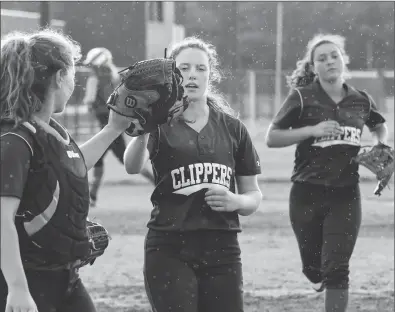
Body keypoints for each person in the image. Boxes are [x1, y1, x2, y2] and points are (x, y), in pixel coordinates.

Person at [123, 36, 262, 312]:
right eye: (184, 68)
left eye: (201, 68)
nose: (192, 75)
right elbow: (132, 166)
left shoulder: (233, 128)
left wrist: (237, 202)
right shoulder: (160, 123)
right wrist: (145, 129)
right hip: (169, 246)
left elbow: (253, 194)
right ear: (172, 75)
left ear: (211, 75)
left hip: (223, 248)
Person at [0, 29, 133, 312]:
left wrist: (114, 129)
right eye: (72, 73)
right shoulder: (15, 139)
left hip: (64, 278)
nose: (74, 81)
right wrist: (17, 289)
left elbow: (71, 165)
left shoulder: (48, 130)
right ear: (60, 77)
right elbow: (2, 221)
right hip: (28, 281)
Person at [265, 33, 388, 312]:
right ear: (313, 67)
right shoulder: (302, 97)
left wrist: (380, 143)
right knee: (314, 267)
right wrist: (312, 130)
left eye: (334, 55)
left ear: (343, 60)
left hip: (345, 194)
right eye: (321, 58)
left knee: (337, 267)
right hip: (306, 193)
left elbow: (379, 125)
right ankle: (315, 275)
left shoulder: (360, 99)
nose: (329, 61)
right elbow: (272, 137)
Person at [82, 47, 130, 207]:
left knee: (125, 160)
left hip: (106, 126)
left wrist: (89, 103)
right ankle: (92, 196)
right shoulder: (114, 76)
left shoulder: (94, 78)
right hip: (114, 122)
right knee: (101, 160)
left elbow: (89, 100)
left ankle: (157, 182)